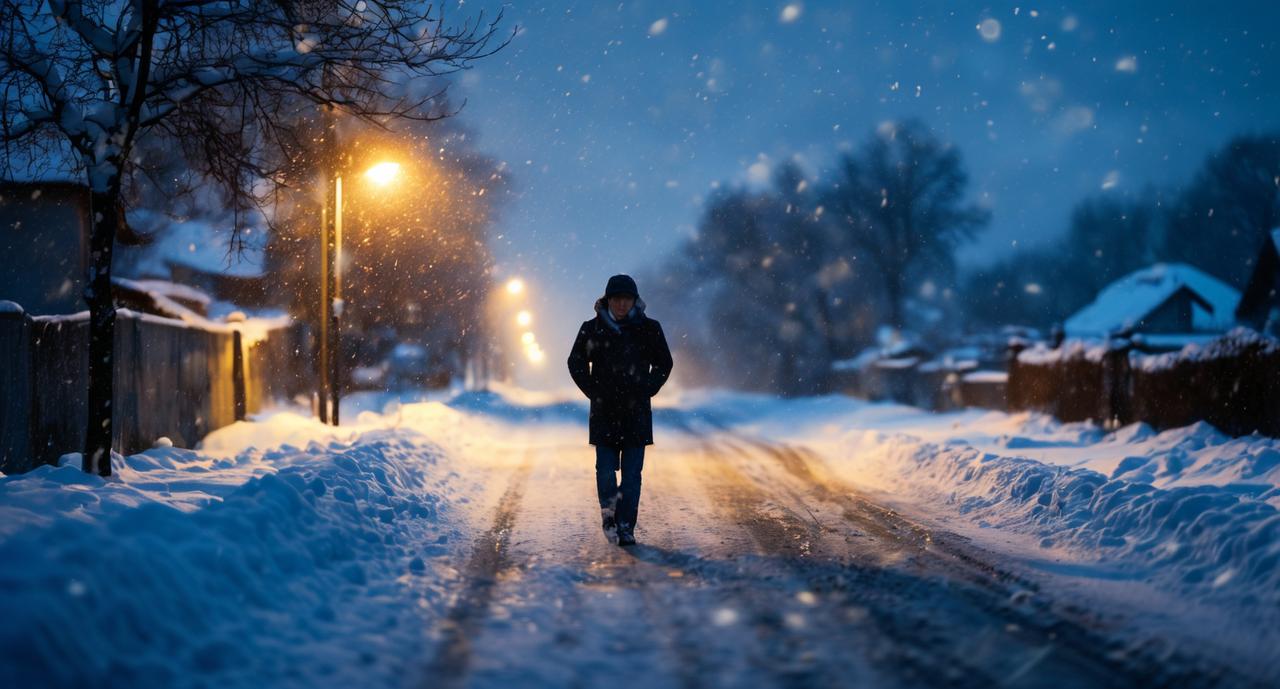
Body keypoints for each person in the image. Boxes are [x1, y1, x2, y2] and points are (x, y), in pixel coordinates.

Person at [567, 274, 673, 546]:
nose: (622, 305)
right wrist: (593, 391)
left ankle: (626, 527)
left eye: (627, 299)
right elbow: (575, 361)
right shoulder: (592, 329)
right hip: (604, 413)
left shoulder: (649, 329)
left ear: (635, 301)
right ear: (608, 300)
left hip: (636, 414)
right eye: (617, 299)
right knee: (604, 470)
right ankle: (609, 512)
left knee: (631, 476)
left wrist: (647, 388)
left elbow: (664, 363)